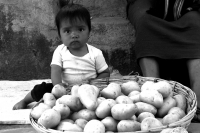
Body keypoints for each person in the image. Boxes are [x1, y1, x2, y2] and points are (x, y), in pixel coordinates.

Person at [13, 3, 110, 110]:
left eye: (80, 29)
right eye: (67, 31)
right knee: (42, 88)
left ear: (89, 31)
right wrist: (58, 87)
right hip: (64, 88)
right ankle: (25, 100)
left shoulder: (96, 53)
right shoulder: (60, 51)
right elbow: (55, 70)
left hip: (89, 91)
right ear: (60, 35)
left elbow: (105, 73)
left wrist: (94, 85)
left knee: (108, 94)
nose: (74, 35)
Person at [127, 0, 200, 122]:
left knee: (195, 21)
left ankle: (198, 99)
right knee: (145, 20)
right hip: (146, 2)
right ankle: (153, 98)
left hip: (188, 3)